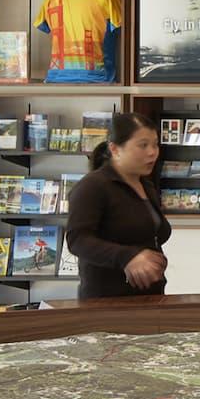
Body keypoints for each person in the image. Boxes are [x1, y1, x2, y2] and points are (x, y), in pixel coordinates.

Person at [65, 111, 171, 300]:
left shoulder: (146, 185)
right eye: (143, 145)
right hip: (107, 301)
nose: (152, 152)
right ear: (115, 149)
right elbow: (78, 240)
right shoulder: (92, 186)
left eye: (155, 145)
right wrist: (127, 257)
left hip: (150, 297)